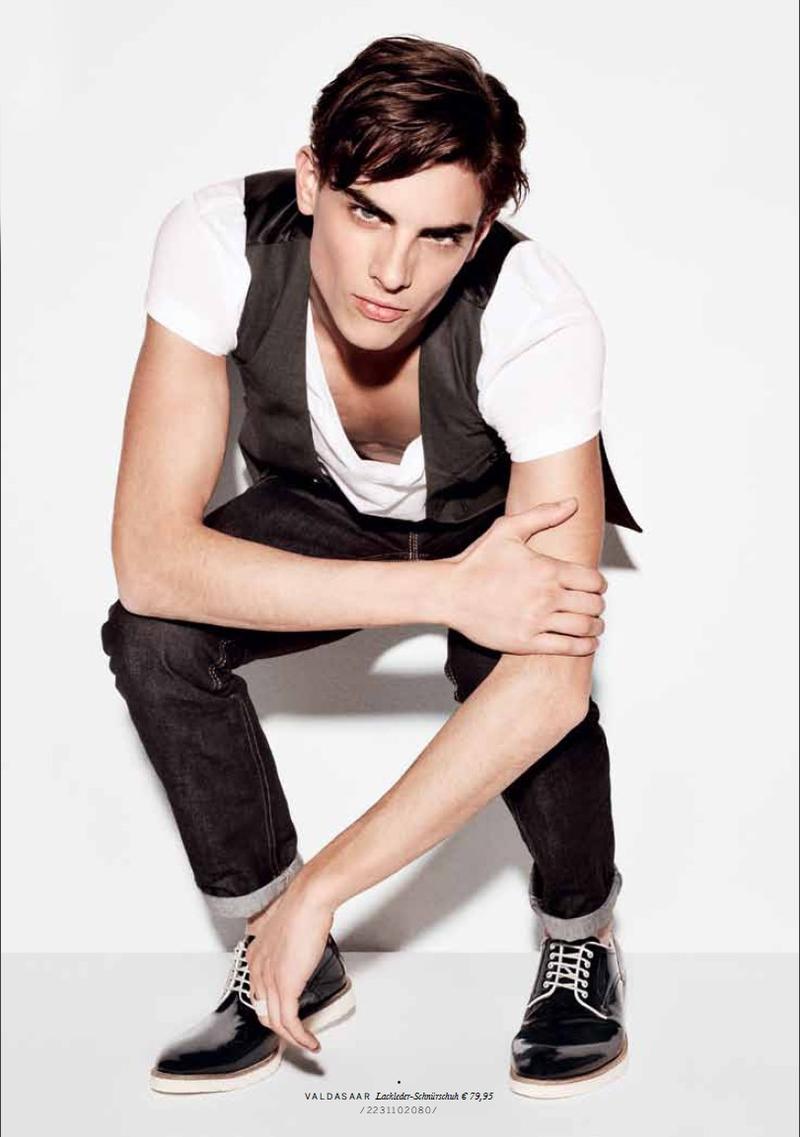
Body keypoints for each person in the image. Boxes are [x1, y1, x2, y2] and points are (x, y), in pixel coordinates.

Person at [100, 34, 641, 1100]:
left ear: (480, 230)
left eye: (440, 235)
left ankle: (581, 940)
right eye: (366, 214)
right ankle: (279, 948)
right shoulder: (216, 242)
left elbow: (549, 686)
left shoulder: (535, 315)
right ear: (312, 180)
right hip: (325, 512)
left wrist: (325, 888)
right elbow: (149, 564)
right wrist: (441, 593)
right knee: (152, 636)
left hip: (491, 527)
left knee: (532, 653)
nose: (393, 272)